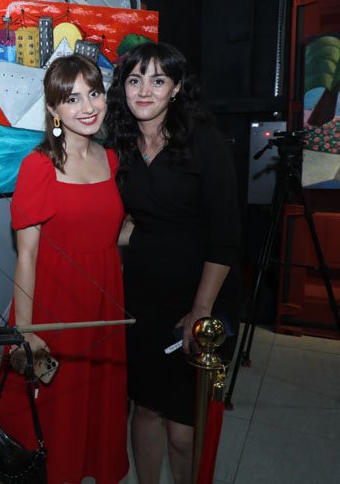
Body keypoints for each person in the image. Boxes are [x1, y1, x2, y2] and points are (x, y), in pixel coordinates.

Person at [105, 42, 241, 484]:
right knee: (145, 409)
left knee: (184, 430)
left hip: (200, 298)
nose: (145, 90)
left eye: (158, 80)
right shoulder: (121, 145)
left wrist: (201, 308)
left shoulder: (205, 142)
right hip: (142, 299)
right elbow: (134, 220)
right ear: (123, 88)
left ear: (177, 88)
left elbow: (226, 235)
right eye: (135, 80)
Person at [0, 54, 129, 484]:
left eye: (94, 93)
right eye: (72, 99)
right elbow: (27, 256)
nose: (88, 107)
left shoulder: (111, 160)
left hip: (102, 306)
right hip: (53, 311)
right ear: (53, 109)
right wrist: (27, 330)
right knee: (43, 423)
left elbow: (112, 234)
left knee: (92, 412)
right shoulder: (38, 166)